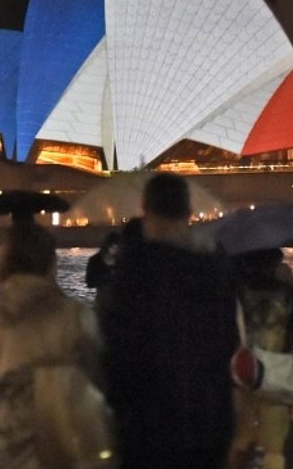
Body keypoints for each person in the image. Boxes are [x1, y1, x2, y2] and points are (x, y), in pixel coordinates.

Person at [101, 172, 238, 469]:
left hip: (148, 426)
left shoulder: (136, 272)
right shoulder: (216, 269)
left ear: (146, 211)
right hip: (209, 421)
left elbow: (118, 354)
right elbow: (230, 344)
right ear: (188, 214)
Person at [0, 221, 103, 469]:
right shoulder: (75, 315)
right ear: (50, 263)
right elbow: (94, 374)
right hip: (61, 436)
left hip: (5, 441)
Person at [229, 248, 293, 469]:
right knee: (274, 448)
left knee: (239, 439)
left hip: (242, 372)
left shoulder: (237, 293)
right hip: (275, 374)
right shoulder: (285, 293)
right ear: (274, 264)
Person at [85, 230, 120, 316]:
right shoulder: (95, 261)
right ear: (107, 246)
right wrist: (110, 276)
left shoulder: (121, 260)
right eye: (113, 248)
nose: (115, 251)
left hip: (119, 303)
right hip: (102, 303)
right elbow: (90, 282)